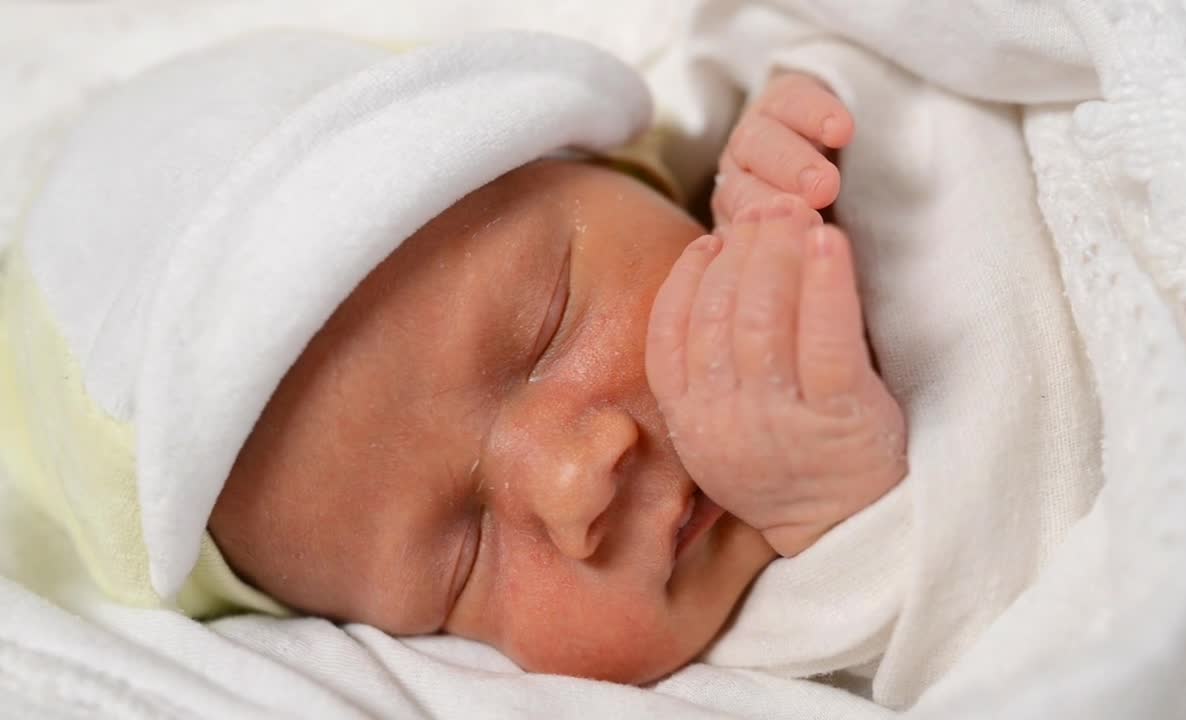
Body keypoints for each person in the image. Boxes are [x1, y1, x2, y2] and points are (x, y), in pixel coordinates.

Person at [0, 29, 905, 688]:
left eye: (548, 326)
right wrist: (849, 518)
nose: (572, 482)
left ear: (631, 171)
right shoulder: (734, 676)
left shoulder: (775, 133)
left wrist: (824, 76)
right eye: (459, 560)